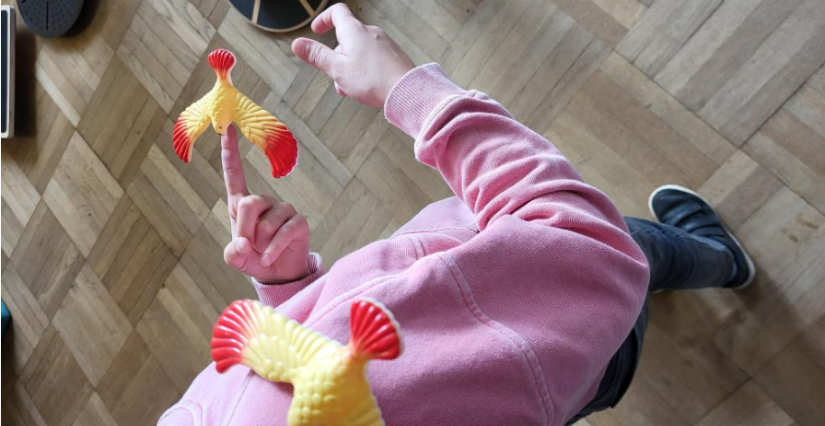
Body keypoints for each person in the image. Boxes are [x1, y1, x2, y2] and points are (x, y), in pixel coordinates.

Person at [158, 4, 754, 425]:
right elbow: (593, 252)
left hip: (494, 291)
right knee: (642, 249)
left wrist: (290, 289)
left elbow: (300, 370)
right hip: (582, 323)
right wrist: (409, 92)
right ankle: (723, 260)